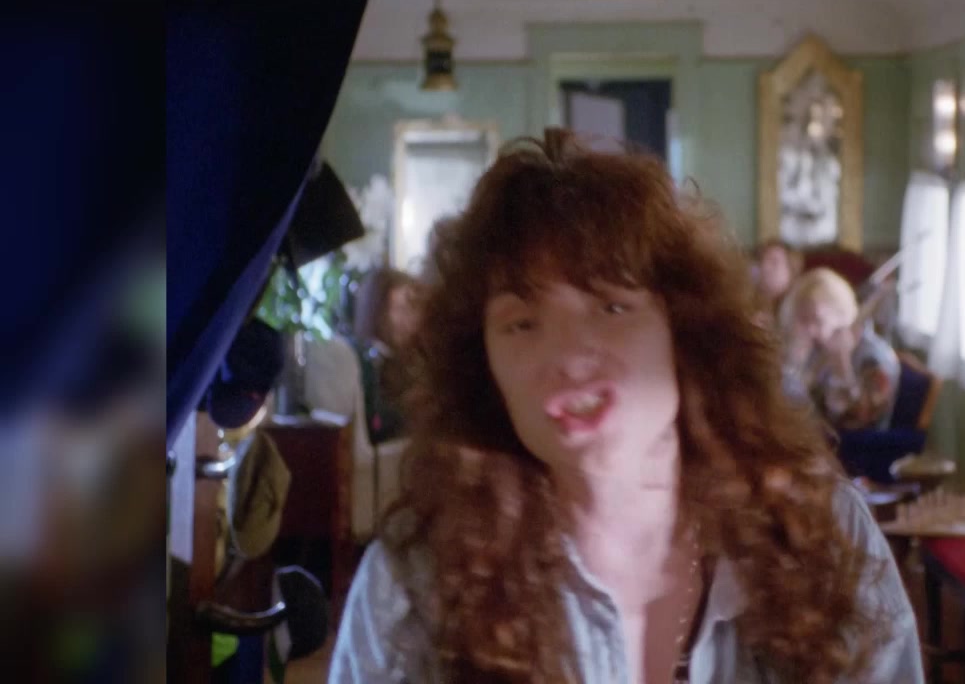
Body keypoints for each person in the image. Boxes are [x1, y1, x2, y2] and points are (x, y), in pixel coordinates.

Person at [329, 130, 923, 684]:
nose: (567, 356)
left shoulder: (821, 531)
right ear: (482, 365)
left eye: (611, 307)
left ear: (685, 332)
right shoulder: (414, 584)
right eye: (522, 323)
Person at [779, 267, 901, 432]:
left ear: (842, 312)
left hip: (858, 443)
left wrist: (841, 363)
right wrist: (794, 361)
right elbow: (795, 404)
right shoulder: (819, 349)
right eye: (804, 321)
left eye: (816, 320)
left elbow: (860, 419)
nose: (811, 331)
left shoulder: (875, 357)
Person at [349, 267, 422, 444]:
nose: (409, 318)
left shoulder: (420, 362)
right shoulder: (368, 364)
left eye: (414, 308)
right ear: (376, 312)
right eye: (400, 309)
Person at [750, 238, 801, 331]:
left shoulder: (798, 307)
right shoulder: (748, 301)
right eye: (761, 261)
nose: (764, 267)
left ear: (791, 270)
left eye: (774, 262)